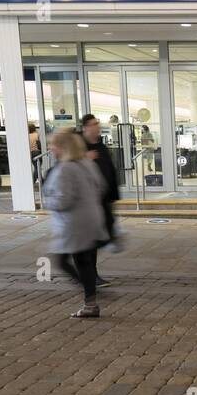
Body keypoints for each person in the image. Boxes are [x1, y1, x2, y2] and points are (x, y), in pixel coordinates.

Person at [41, 130, 106, 319]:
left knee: (63, 261)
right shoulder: (87, 163)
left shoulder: (66, 168)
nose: (51, 149)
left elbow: (63, 200)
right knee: (84, 262)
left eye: (53, 145)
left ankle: (90, 297)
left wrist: (48, 202)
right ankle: (91, 301)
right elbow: (100, 187)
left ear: (62, 147)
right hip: (90, 219)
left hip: (73, 224)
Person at [81, 114, 120, 287]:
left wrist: (113, 196)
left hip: (102, 201)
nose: (96, 127)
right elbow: (67, 166)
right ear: (85, 128)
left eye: (97, 124)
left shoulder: (101, 146)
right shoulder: (80, 148)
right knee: (90, 240)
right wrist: (84, 158)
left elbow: (110, 170)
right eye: (93, 124)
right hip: (87, 204)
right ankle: (88, 277)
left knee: (99, 238)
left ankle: (90, 274)